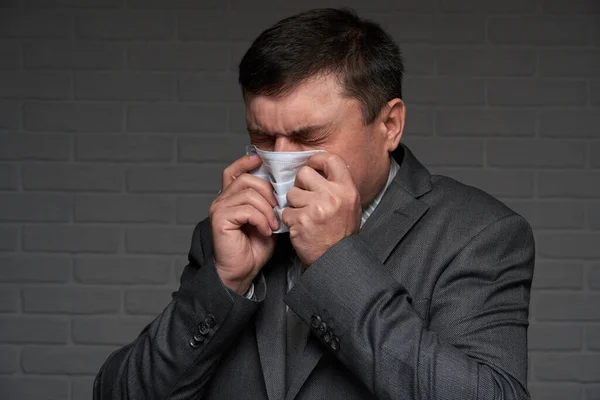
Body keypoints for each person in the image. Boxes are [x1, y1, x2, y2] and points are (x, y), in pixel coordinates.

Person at [94, 8, 534, 400]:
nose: (282, 159)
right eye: (263, 137)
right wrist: (224, 283)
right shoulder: (230, 234)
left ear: (390, 125)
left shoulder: (478, 234)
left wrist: (337, 262)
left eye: (309, 138)